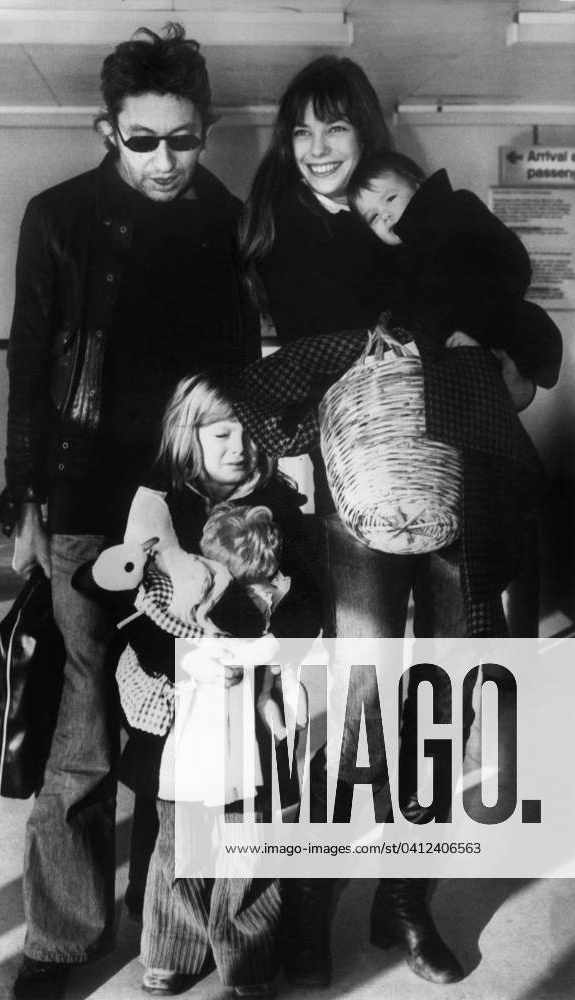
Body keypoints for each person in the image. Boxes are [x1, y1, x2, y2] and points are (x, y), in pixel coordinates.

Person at [239, 54, 562, 988]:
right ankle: (309, 904)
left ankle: (405, 899)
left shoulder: (415, 215)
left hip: (457, 478)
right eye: (300, 131)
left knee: (452, 691)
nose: (315, 149)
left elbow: (522, 319)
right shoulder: (278, 228)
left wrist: (522, 365)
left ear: (368, 130)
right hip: (353, 494)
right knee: (361, 695)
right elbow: (278, 369)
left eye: (334, 127)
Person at [0, 23, 259, 999]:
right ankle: (61, 943)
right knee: (83, 732)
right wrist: (20, 495)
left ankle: (171, 936)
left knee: (181, 731)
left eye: (181, 138)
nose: (161, 158)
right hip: (83, 502)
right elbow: (30, 363)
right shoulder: (56, 216)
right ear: (108, 128)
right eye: (140, 139)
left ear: (208, 128)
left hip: (187, 509)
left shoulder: (230, 223)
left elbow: (237, 378)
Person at [77, 372, 320, 997]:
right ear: (191, 436)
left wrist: (266, 651)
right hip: (182, 701)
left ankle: (247, 959)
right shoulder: (168, 509)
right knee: (180, 841)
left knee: (250, 842)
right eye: (220, 432)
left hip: (257, 700)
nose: (236, 444)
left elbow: (307, 599)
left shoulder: (281, 503)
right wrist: (185, 653)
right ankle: (174, 949)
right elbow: (134, 606)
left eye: (246, 431)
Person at [347, 150, 562, 402]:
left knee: (526, 331)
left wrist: (475, 330)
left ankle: (511, 375)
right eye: (373, 217)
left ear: (418, 184)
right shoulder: (396, 260)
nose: (385, 215)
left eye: (391, 198)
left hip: (495, 318)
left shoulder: (457, 208)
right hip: (448, 351)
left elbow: (512, 261)